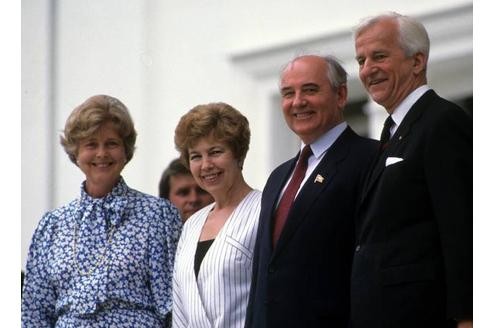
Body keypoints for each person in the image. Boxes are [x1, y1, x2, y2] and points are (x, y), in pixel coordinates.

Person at [351, 13, 472, 328]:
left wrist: (469, 316)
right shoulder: (393, 131)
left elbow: (462, 229)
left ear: (417, 61)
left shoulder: (442, 121)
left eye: (379, 56)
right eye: (361, 60)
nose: (367, 70)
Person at [21, 95, 182, 327]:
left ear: (125, 152)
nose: (101, 153)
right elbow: (34, 314)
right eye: (91, 144)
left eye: (112, 143)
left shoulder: (157, 215)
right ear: (75, 153)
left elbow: (173, 307)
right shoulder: (52, 225)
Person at [245, 55, 379, 328]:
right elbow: (264, 272)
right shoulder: (278, 177)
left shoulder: (370, 159)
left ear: (340, 94)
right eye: (287, 93)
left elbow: (373, 263)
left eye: (310, 90)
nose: (297, 102)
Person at [171, 102, 261, 328]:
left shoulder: (265, 210)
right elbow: (180, 310)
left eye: (215, 152)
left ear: (238, 154)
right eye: (196, 156)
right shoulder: (192, 224)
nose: (206, 165)